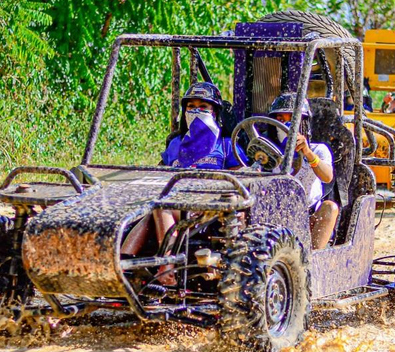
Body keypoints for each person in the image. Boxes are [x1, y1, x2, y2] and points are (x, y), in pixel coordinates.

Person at [121, 82, 246, 286]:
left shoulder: (225, 144)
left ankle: (166, 269)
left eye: (203, 107)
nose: (196, 111)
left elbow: (241, 176)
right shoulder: (176, 144)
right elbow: (160, 173)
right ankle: (123, 263)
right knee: (152, 210)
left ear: (214, 112)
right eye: (191, 107)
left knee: (162, 208)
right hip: (177, 200)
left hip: (211, 205)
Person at [269, 93, 339, 250]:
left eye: (292, 120)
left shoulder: (317, 149)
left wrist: (307, 153)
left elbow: (327, 176)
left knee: (330, 208)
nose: (286, 125)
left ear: (303, 122)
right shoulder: (268, 151)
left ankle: (313, 260)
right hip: (275, 218)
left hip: (309, 217)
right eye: (280, 120)